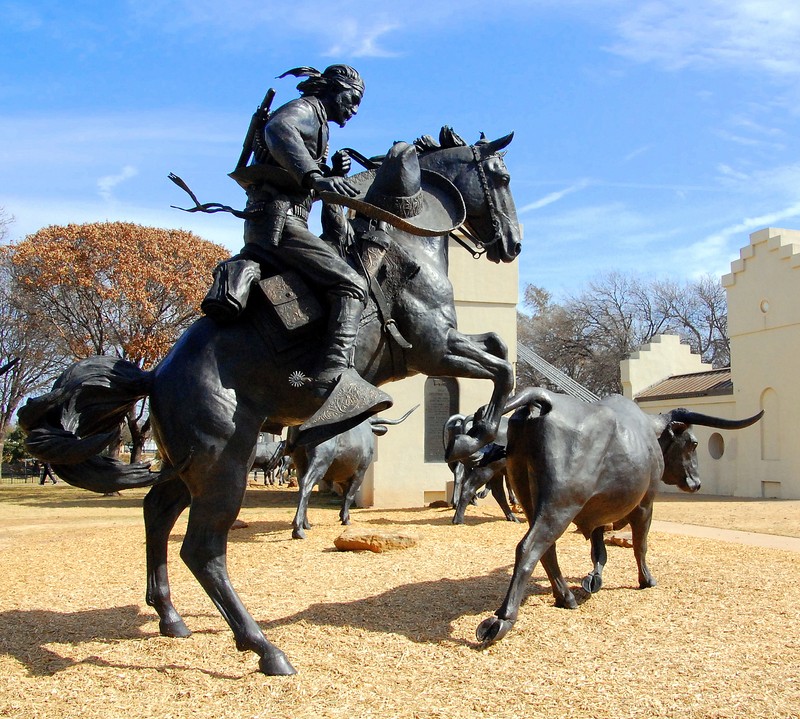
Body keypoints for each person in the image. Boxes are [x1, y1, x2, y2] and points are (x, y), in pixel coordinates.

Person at [206, 64, 374, 403]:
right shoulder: (305, 110)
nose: (353, 109)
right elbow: (279, 129)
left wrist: (328, 172)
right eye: (351, 99)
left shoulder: (320, 121)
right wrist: (314, 176)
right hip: (280, 225)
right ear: (331, 89)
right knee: (352, 283)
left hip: (278, 222)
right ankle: (334, 376)